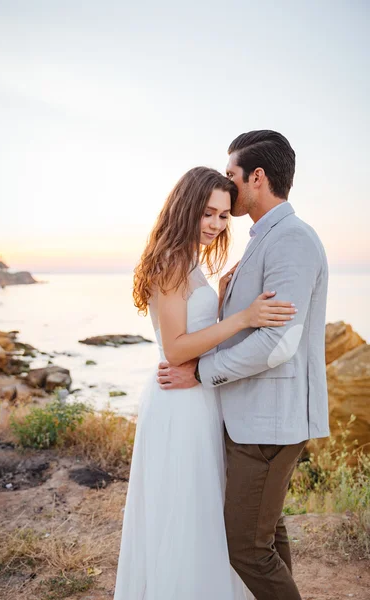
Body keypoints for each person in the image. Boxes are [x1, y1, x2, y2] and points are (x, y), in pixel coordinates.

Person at [157, 131, 330, 600]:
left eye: (232, 175)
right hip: (253, 418)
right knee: (266, 535)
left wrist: (200, 373)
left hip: (268, 423)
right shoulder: (264, 238)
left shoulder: (290, 239)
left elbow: (277, 344)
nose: (228, 187)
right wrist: (230, 296)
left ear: (257, 176)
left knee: (248, 550)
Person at [114, 165, 296, 600]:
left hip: (198, 397)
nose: (216, 224)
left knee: (206, 508)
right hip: (180, 402)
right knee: (186, 511)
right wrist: (242, 317)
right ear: (186, 208)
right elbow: (176, 349)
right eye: (208, 213)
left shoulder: (189, 261)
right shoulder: (170, 262)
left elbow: (190, 333)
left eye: (222, 216)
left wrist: (217, 300)